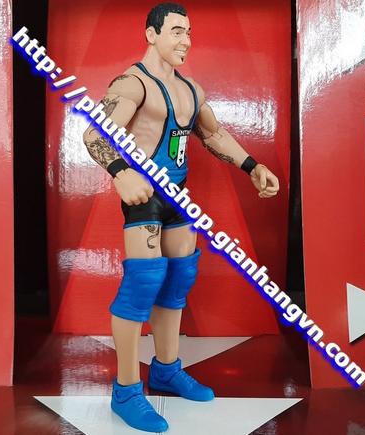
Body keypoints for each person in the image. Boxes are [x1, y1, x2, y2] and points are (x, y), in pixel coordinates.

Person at [82, 3, 280, 432]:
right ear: (151, 34)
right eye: (175, 31)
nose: (185, 40)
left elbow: (213, 133)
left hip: (177, 196)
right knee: (143, 283)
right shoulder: (132, 84)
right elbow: (95, 133)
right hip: (145, 196)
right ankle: (126, 390)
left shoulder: (190, 88)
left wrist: (252, 167)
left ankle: (167, 370)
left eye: (188, 32)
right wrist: (120, 173)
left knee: (178, 279)